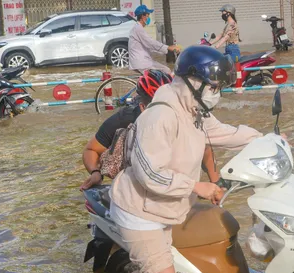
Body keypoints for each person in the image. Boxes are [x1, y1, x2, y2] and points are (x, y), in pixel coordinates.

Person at [108, 45, 263, 273]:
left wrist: (265, 140)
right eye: (213, 87)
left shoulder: (193, 110)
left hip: (161, 206)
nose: (217, 93)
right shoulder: (160, 116)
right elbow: (150, 174)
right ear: (193, 83)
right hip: (138, 209)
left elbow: (223, 133)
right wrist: (195, 186)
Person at [80, 70, 223, 190]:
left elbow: (205, 149)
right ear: (143, 107)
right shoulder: (125, 119)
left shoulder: (185, 114)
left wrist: (215, 184)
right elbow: (91, 150)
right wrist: (95, 172)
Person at [128, 5, 180, 75]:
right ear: (143, 17)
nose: (148, 18)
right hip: (141, 62)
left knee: (158, 76)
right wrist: (168, 47)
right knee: (166, 70)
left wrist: (164, 51)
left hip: (140, 61)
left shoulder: (138, 28)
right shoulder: (138, 29)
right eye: (147, 15)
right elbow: (150, 43)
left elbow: (150, 47)